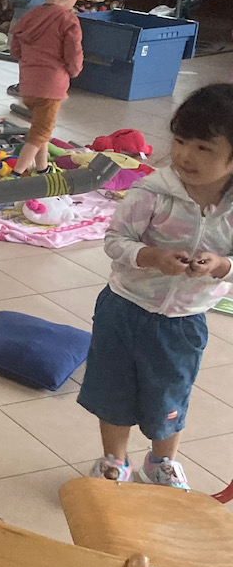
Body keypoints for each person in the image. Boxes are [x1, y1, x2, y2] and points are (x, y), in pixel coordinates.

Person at [77, 83, 233, 489]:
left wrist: (222, 266)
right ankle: (114, 460)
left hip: (183, 321)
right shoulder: (152, 192)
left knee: (170, 396)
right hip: (123, 307)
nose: (185, 156)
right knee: (113, 391)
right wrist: (152, 256)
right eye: (180, 141)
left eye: (204, 148)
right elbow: (115, 240)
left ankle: (161, 463)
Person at [8, 0, 92, 176]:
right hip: (51, 88)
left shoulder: (31, 15)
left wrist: (26, 59)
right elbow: (74, 52)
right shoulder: (68, 20)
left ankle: (42, 167)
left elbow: (15, 45)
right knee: (39, 134)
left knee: (41, 128)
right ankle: (16, 173)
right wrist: (75, 71)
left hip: (28, 85)